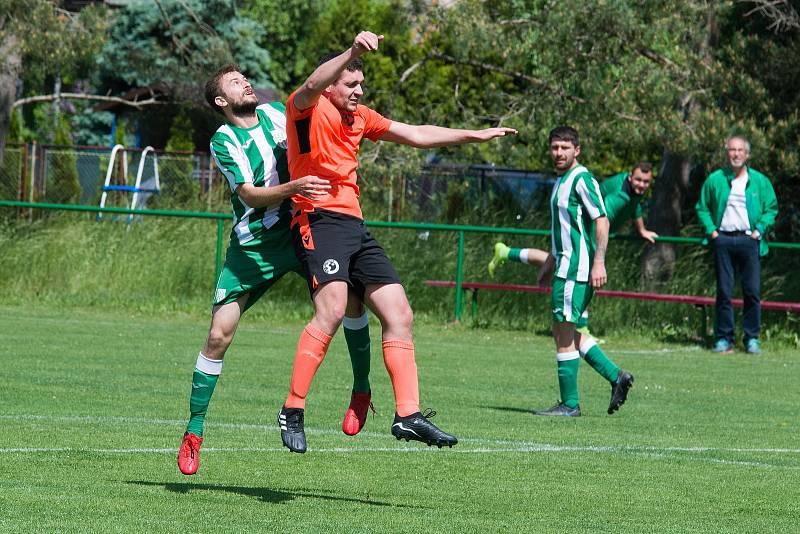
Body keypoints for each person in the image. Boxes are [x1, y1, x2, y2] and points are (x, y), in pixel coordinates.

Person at [277, 31, 517, 453]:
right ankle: (293, 409)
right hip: (317, 218)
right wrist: (351, 51)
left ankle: (408, 415)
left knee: (400, 312)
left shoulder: (361, 118)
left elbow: (416, 134)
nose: (359, 91)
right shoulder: (305, 110)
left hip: (354, 226)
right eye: (351, 84)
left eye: (361, 85)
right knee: (332, 309)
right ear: (332, 85)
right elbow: (313, 84)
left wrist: (472, 136)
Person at [177, 65, 376, 475]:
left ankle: (361, 390)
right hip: (253, 247)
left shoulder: (274, 113)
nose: (245, 83)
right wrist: (296, 186)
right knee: (217, 335)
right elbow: (250, 194)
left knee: (351, 303)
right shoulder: (223, 139)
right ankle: (194, 431)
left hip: (300, 229)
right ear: (220, 101)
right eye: (234, 83)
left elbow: (313, 118)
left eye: (244, 78)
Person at [534, 126, 633, 417]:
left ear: (577, 150)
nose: (559, 153)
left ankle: (570, 404)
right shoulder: (561, 181)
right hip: (564, 267)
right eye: (554, 147)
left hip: (575, 271)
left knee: (563, 332)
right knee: (564, 329)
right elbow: (562, 232)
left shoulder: (581, 179)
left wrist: (599, 262)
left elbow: (602, 221)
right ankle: (616, 376)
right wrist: (548, 265)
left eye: (565, 148)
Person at [488, 162, 658, 278]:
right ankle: (581, 326)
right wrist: (596, 256)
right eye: (638, 180)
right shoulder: (620, 197)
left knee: (557, 260)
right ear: (630, 177)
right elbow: (602, 220)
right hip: (584, 230)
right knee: (581, 272)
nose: (641, 185)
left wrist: (641, 229)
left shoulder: (631, 191)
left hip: (584, 228)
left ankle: (506, 252)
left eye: (646, 181)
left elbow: (635, 206)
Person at [695, 135, 778, 355]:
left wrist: (760, 229)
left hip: (749, 241)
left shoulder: (760, 181)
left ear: (747, 154)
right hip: (722, 239)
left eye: (740, 150)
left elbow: (771, 208)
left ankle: (751, 338)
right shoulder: (715, 179)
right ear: (726, 153)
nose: (736, 154)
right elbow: (701, 207)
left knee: (751, 291)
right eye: (732, 150)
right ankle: (724, 338)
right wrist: (712, 231)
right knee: (724, 291)